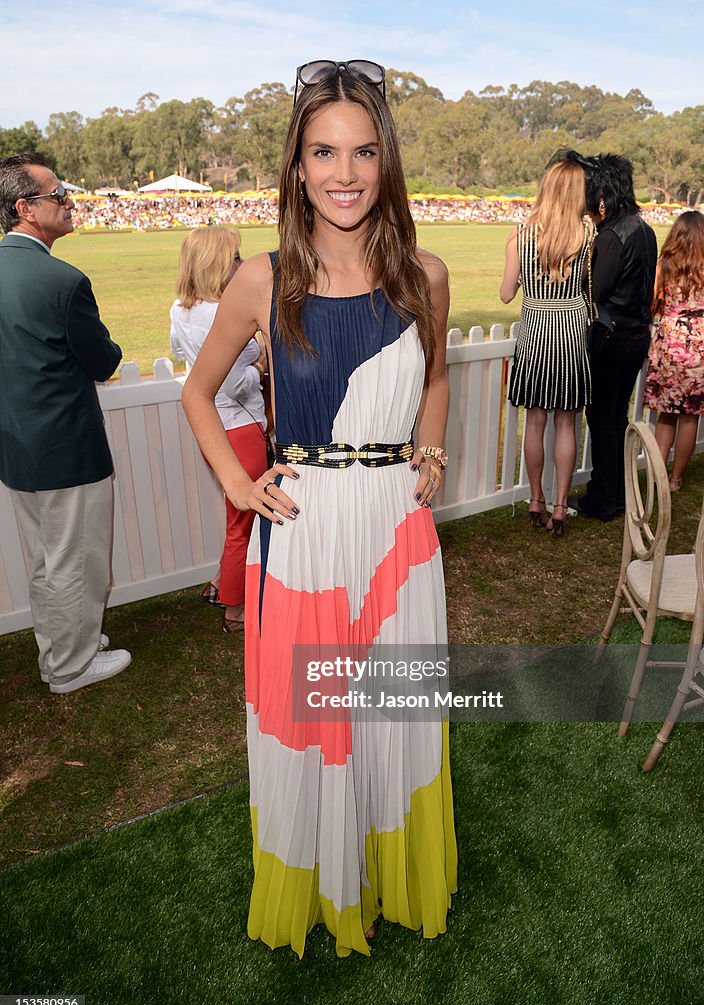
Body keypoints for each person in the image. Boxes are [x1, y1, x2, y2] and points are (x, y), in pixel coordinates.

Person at [182, 59, 457, 957]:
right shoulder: (260, 281)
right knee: (315, 714)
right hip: (301, 534)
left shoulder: (425, 272)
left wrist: (431, 450)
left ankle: (383, 867)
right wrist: (236, 483)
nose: (345, 172)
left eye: (363, 151)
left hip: (394, 530)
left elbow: (440, 377)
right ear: (297, 167)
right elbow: (197, 392)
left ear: (387, 163)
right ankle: (334, 881)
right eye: (324, 152)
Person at [0, 153, 131, 693]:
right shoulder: (62, 280)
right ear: (25, 208)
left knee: (44, 560)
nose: (69, 202)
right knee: (75, 558)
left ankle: (61, 649)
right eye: (58, 195)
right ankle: (71, 667)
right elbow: (103, 361)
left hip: (17, 445)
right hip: (67, 445)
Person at [170, 226, 268, 631]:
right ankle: (235, 608)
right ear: (217, 265)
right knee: (245, 519)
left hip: (213, 428)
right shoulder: (224, 313)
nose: (242, 265)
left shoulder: (181, 308)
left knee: (235, 513)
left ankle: (220, 582)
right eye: (235, 258)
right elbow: (229, 382)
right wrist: (258, 367)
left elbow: (183, 356)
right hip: (241, 424)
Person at [500, 157, 594, 537]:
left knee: (535, 421)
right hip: (571, 330)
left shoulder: (520, 235)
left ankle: (536, 498)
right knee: (567, 422)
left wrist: (527, 278)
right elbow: (590, 288)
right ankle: (559, 506)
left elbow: (506, 294)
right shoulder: (587, 234)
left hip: (536, 328)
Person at [573, 154, 658, 520]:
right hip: (636, 333)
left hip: (612, 334)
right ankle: (615, 492)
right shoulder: (643, 229)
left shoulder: (611, 235)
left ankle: (604, 498)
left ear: (603, 194)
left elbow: (595, 289)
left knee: (604, 418)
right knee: (615, 417)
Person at [643, 211, 704, 491]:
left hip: (669, 341)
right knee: (690, 416)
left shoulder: (664, 264)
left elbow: (653, 302)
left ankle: (657, 474)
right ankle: (676, 478)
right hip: (699, 343)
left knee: (666, 413)